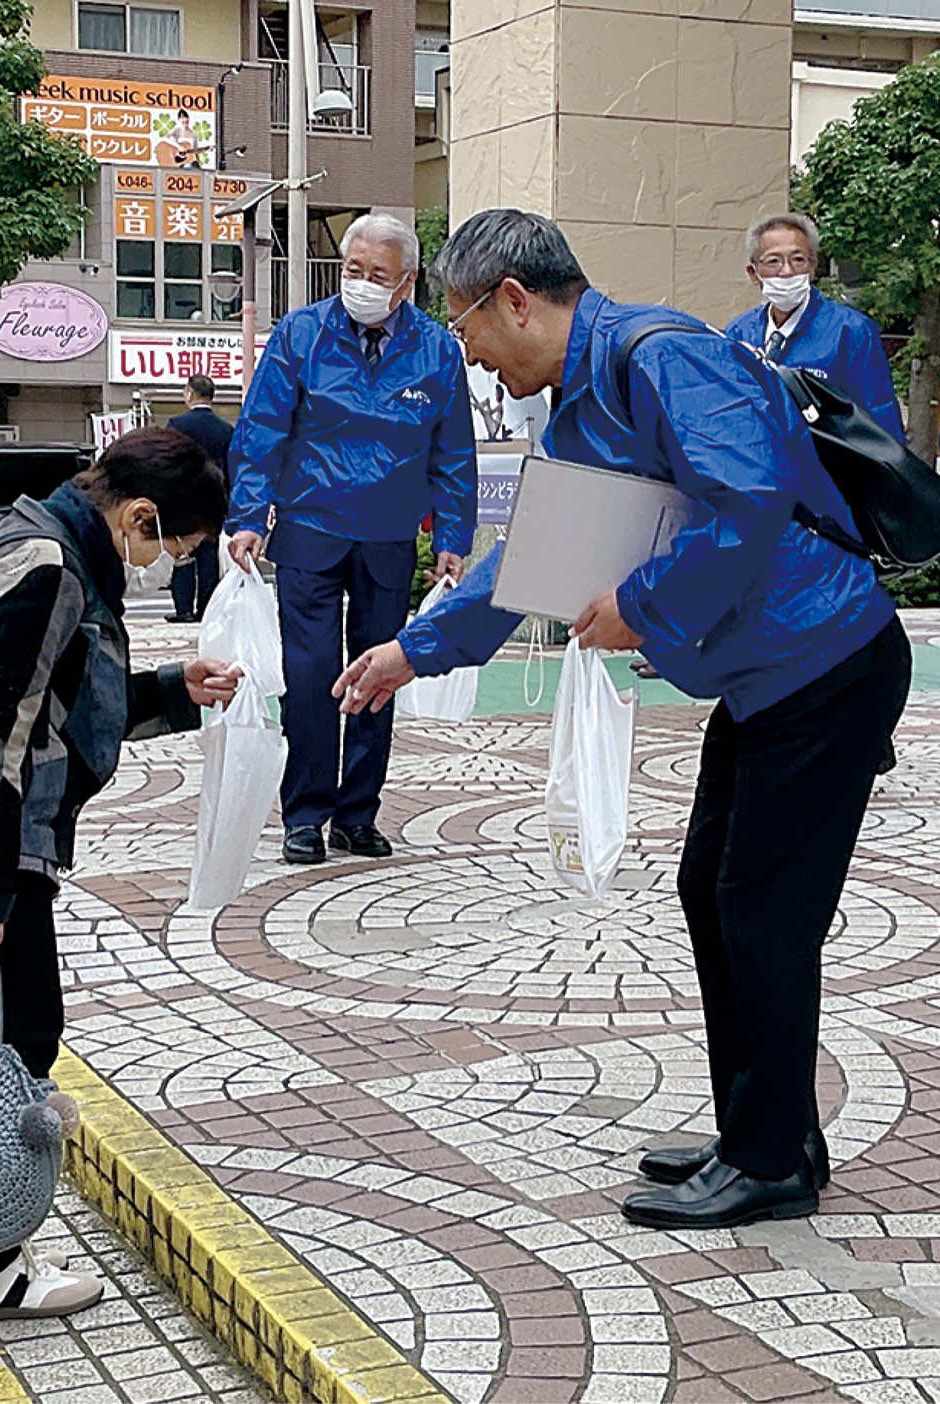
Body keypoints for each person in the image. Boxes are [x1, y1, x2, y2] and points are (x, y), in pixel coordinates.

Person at [334, 209, 911, 1231]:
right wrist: (412, 651)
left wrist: (639, 606)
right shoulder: (583, 402)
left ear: (513, 299)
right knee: (716, 894)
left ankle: (772, 1158)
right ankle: (763, 1129)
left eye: (465, 328)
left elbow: (751, 500)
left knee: (760, 913)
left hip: (826, 661)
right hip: (769, 677)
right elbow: (535, 562)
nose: (466, 353)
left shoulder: (662, 356)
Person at [0, 428, 238, 1322]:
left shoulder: (42, 535)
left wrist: (167, 690)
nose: (168, 563)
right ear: (141, 515)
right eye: (176, 546)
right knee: (19, 1038)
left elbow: (56, 706)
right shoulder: (49, 567)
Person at [226, 212, 477, 865]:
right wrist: (249, 516)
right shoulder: (301, 334)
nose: (362, 284)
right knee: (310, 677)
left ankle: (357, 814)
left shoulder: (437, 350)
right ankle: (305, 814)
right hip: (310, 526)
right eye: (352, 271)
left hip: (390, 534)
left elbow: (453, 453)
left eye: (378, 275)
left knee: (379, 673)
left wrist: (453, 533)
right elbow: (261, 434)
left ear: (408, 281)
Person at [727, 212, 905, 443]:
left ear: (812, 265)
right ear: (753, 273)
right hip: (759, 470)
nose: (787, 271)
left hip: (827, 474)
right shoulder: (739, 332)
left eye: (798, 259)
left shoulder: (851, 331)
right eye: (773, 261)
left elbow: (881, 424)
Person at [166, 375, 233, 622]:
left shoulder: (177, 424)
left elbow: (170, 462)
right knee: (209, 557)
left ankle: (183, 609)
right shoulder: (225, 429)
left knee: (183, 553)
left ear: (189, 394)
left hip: (184, 499)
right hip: (214, 501)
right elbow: (231, 469)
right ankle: (206, 609)